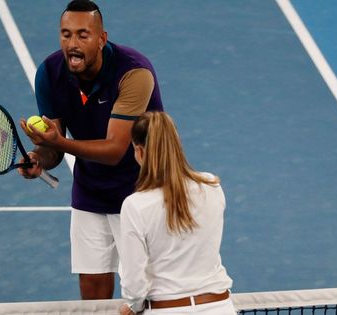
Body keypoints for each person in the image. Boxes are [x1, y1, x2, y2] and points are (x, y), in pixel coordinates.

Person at [17, 0, 164, 299]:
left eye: (83, 35)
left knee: (146, 293)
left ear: (101, 39)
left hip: (143, 190)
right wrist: (39, 158)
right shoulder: (49, 74)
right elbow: (53, 150)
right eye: (66, 34)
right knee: (93, 291)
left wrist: (58, 142)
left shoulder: (134, 73)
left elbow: (114, 150)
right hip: (91, 190)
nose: (72, 43)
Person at [119, 111, 235, 315]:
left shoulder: (135, 206)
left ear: (140, 151)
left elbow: (134, 282)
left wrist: (132, 305)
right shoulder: (211, 186)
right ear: (177, 144)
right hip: (220, 308)